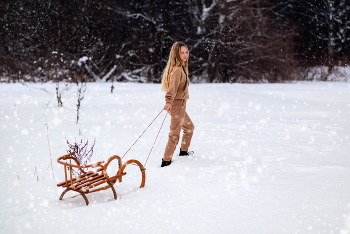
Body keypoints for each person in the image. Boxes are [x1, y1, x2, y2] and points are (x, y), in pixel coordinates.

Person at [160, 42, 195, 167]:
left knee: (189, 128)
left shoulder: (180, 68)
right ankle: (166, 160)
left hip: (180, 105)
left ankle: (184, 151)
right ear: (176, 54)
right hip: (176, 106)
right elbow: (172, 89)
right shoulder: (178, 70)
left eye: (186, 52)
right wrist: (168, 102)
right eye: (182, 52)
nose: (185, 55)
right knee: (174, 134)